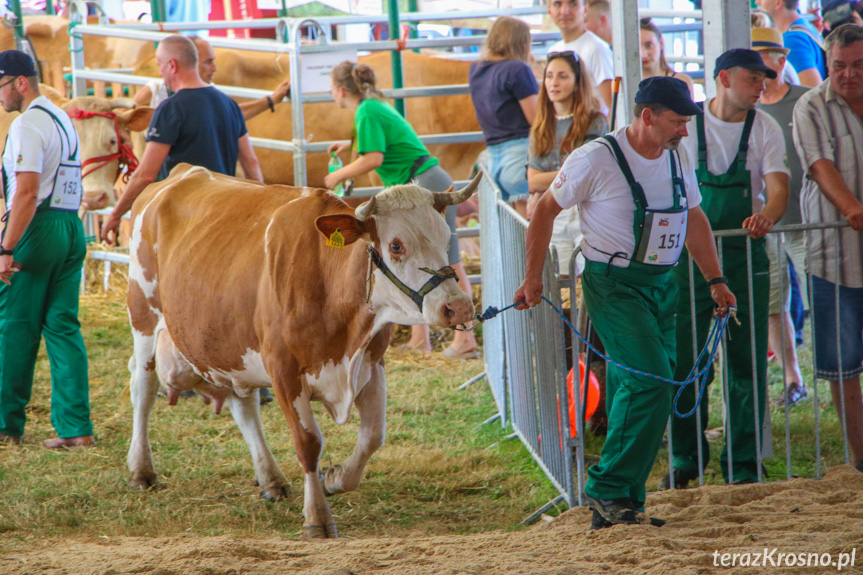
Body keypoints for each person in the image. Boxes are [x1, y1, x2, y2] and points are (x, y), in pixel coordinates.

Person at [515, 76, 735, 528]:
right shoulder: (596, 158)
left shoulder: (677, 156)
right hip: (613, 284)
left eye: (686, 123)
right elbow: (544, 210)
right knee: (651, 377)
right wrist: (532, 278)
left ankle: (625, 503)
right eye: (677, 122)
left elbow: (693, 217)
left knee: (642, 381)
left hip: (663, 283)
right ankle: (607, 488)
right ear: (647, 116)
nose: (684, 131)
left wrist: (715, 279)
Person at [665, 49, 790, 489]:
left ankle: (743, 464)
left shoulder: (766, 128)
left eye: (763, 80)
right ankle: (685, 459)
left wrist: (768, 216)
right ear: (724, 78)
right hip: (689, 261)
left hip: (743, 256)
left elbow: (778, 188)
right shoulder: (686, 125)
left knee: (747, 363)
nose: (761, 87)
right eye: (754, 79)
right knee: (686, 362)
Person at [323, 61, 479, 359]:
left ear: (341, 91)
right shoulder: (372, 107)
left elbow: (374, 158)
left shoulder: (367, 111)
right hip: (418, 186)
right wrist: (347, 147)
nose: (331, 94)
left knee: (450, 261)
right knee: (414, 262)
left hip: (423, 185)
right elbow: (383, 144)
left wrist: (337, 176)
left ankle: (465, 341)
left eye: (331, 89)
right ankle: (420, 340)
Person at [0, 50, 94, 448]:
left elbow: (27, 192)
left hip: (37, 229)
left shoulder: (27, 125)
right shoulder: (62, 119)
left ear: (21, 82)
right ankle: (76, 430)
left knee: (14, 327)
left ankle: (5, 424)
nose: (0, 97)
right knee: (62, 327)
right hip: (70, 225)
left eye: (1, 86)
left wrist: (6, 248)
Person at [101, 34, 262, 242]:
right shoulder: (228, 104)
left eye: (160, 66)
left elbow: (146, 175)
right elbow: (251, 163)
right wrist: (259, 209)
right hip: (225, 212)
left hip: (185, 219)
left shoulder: (171, 108)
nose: (160, 73)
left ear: (172, 65)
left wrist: (115, 215)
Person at [792, 23, 863, 475]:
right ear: (827, 62)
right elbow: (819, 166)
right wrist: (855, 209)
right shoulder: (810, 106)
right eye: (839, 66)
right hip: (834, 254)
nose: (848, 75)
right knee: (843, 365)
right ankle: (861, 458)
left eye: (858, 66)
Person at [753, 27, 810, 406]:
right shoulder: (747, 111)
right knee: (774, 302)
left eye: (761, 60)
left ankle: (844, 373)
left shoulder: (807, 101)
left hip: (811, 220)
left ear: (780, 61)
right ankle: (793, 377)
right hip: (767, 222)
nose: (755, 71)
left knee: (827, 296)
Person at [526, 50, 607, 276]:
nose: (554, 83)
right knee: (560, 279)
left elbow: (587, 174)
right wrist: (569, 172)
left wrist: (556, 176)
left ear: (576, 82)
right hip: (555, 211)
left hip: (586, 210)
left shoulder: (595, 121)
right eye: (549, 76)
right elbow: (533, 181)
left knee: (589, 277)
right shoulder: (540, 127)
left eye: (562, 76)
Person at [469, 16, 538, 215]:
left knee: (510, 231)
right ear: (521, 43)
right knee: (529, 225)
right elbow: (535, 118)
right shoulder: (518, 70)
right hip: (520, 153)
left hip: (494, 158)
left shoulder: (476, 69)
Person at [133, 36, 291, 122]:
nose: (215, 68)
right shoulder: (155, 90)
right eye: (208, 62)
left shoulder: (211, 94)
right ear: (191, 61)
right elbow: (131, 114)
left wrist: (271, 100)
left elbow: (232, 115)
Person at [546, 0, 614, 113]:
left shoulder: (596, 48)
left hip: (594, 128)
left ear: (585, 9)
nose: (564, 11)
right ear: (549, 10)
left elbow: (613, 107)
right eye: (558, 4)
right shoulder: (553, 51)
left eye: (573, 4)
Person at [755, 0, 827, 86]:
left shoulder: (791, 41)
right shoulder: (805, 26)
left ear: (778, 3)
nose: (757, 2)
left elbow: (812, 92)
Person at [640, 18, 695, 97]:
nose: (643, 54)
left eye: (649, 45)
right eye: (637, 48)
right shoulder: (624, 86)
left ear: (661, 43)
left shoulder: (682, 82)